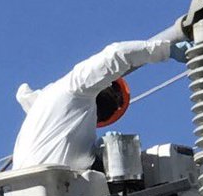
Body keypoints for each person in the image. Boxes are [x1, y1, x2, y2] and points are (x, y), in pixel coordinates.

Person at [11, 36, 189, 170]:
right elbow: (116, 55)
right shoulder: (74, 87)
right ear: (104, 84)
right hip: (52, 195)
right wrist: (167, 50)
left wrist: (103, 152)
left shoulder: (55, 117)